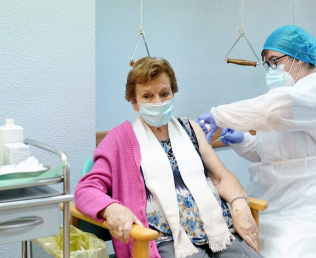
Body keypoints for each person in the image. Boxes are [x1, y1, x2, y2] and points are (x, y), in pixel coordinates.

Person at [197, 25, 316, 258]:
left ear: (298, 59)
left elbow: (274, 110)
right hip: (276, 199)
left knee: (289, 250)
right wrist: (243, 141)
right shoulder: (287, 96)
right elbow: (270, 152)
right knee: (250, 246)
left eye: (275, 60)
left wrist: (219, 115)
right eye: (268, 63)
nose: (271, 69)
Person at [75, 57, 261, 258]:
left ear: (173, 93)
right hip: (165, 239)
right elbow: (87, 189)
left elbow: (221, 177)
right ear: (134, 102)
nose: (157, 102)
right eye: (147, 96)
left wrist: (240, 204)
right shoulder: (120, 139)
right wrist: (112, 209)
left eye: (164, 94)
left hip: (218, 231)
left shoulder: (191, 129)